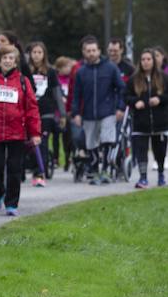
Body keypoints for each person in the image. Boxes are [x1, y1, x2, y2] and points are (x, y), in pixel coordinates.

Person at [0, 45, 41, 216]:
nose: (7, 61)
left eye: (11, 58)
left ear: (16, 61)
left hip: (17, 132)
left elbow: (32, 108)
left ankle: (12, 203)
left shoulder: (23, 82)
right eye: (4, 58)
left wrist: (35, 133)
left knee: (14, 169)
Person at [71, 36, 125, 185]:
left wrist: (120, 107)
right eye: (88, 51)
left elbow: (121, 88)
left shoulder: (110, 67)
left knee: (107, 141)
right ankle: (94, 171)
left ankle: (105, 171)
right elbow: (76, 95)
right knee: (91, 144)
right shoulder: (81, 72)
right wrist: (75, 113)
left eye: (94, 50)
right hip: (88, 114)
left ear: (99, 50)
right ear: (83, 52)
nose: (91, 53)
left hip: (108, 112)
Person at [126, 49, 167, 188]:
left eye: (148, 59)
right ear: (140, 62)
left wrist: (159, 99)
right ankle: (143, 178)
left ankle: (161, 175)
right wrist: (135, 102)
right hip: (140, 122)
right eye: (143, 59)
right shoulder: (133, 79)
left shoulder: (163, 78)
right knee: (141, 150)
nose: (146, 62)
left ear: (154, 61)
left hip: (160, 122)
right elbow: (126, 96)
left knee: (160, 151)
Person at [27, 41, 65, 186]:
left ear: (44, 55)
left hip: (46, 112)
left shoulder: (51, 72)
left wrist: (62, 114)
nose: (36, 55)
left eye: (39, 52)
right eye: (34, 52)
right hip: (29, 112)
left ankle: (39, 173)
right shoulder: (25, 71)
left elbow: (57, 93)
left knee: (41, 142)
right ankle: (31, 167)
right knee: (29, 144)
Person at [55, 56, 76, 170]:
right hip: (60, 113)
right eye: (66, 66)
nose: (69, 68)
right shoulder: (57, 79)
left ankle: (71, 157)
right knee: (63, 137)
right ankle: (61, 157)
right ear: (60, 68)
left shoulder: (71, 79)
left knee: (71, 137)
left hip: (70, 111)